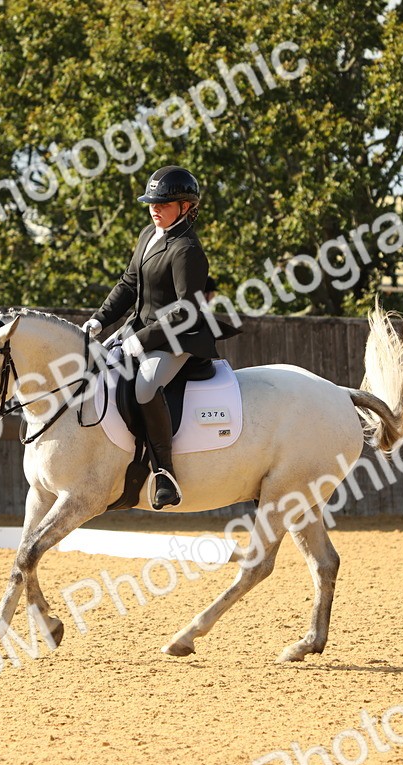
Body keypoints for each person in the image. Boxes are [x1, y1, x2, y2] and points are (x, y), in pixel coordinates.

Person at [82, 165, 232, 509]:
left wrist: (143, 341)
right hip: (140, 328)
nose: (154, 208)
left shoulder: (187, 250)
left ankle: (165, 472)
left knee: (145, 385)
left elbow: (186, 310)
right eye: (152, 203)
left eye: (163, 204)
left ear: (185, 207)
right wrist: (99, 320)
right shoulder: (148, 234)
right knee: (99, 366)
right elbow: (128, 283)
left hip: (179, 337)